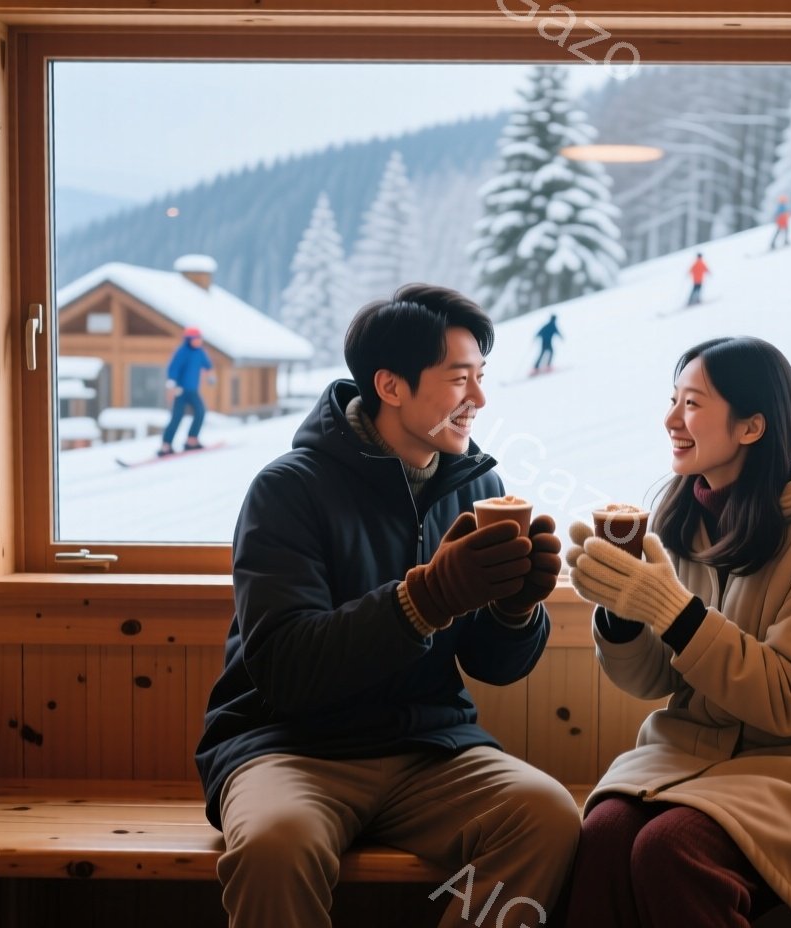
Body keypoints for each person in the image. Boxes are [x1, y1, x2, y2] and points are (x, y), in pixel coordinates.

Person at [197, 284, 577, 928]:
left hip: (428, 745)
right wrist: (426, 598)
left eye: (480, 378)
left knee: (545, 815)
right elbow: (287, 671)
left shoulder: (478, 486)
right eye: (460, 380)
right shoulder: (288, 489)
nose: (479, 400)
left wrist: (516, 609)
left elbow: (495, 664)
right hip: (289, 749)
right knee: (274, 846)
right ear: (391, 386)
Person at [560, 336, 791, 928]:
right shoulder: (683, 514)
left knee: (671, 848)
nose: (670, 420)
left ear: (750, 427)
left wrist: (672, 611)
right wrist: (621, 609)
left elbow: (789, 703)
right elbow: (652, 679)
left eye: (691, 404)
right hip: (692, 750)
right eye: (673, 400)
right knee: (605, 836)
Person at [159, 326, 216, 456]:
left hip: (193, 390)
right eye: (196, 339)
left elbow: (207, 365)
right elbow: (173, 369)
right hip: (180, 390)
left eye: (200, 338)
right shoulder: (182, 352)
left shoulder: (200, 352)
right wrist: (171, 387)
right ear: (189, 340)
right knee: (177, 417)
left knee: (200, 412)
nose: (199, 341)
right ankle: (166, 446)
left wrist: (210, 376)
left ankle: (191, 440)